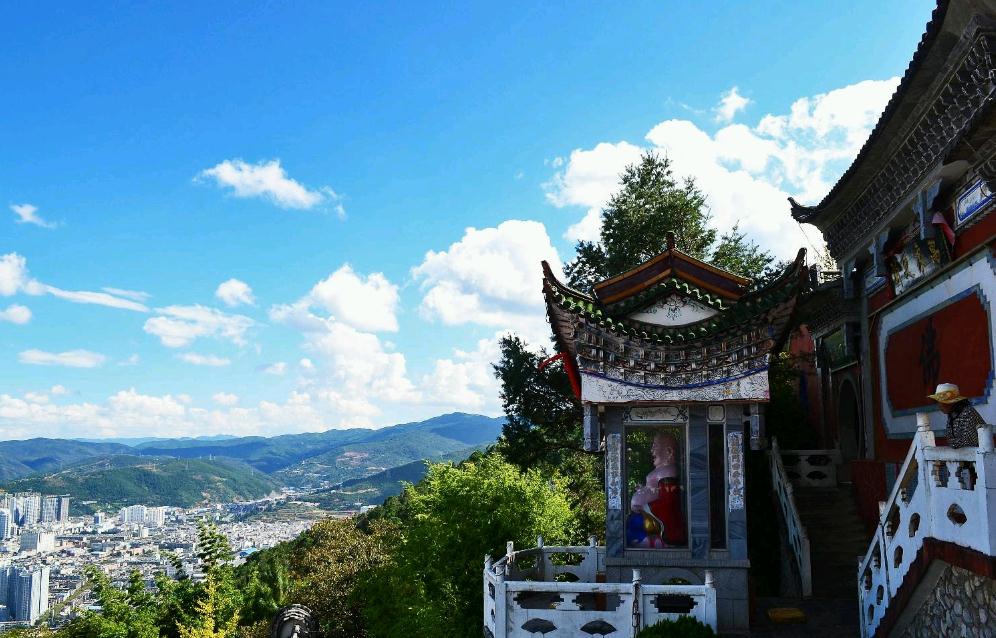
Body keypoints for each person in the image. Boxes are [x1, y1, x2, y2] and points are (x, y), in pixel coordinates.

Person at [927, 383, 984, 448]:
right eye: (939, 402)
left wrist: (953, 443)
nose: (940, 406)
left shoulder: (967, 412)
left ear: (953, 402)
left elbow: (968, 441)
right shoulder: (952, 414)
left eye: (943, 402)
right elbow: (950, 438)